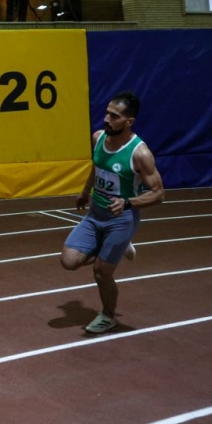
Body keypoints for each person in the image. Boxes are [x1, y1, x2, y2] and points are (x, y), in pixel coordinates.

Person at [60, 91, 165, 334]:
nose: (107, 119)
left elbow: (159, 193)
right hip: (95, 214)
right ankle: (118, 246)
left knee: (101, 272)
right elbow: (97, 167)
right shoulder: (98, 138)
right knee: (69, 261)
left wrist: (128, 203)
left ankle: (108, 316)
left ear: (129, 121)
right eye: (107, 113)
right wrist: (85, 192)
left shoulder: (140, 153)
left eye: (114, 116)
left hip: (121, 219)